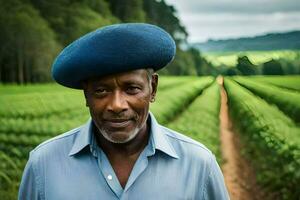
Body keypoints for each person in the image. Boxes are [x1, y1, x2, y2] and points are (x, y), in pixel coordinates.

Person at [18, 23, 229, 200]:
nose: (117, 105)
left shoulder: (199, 165)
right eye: (101, 90)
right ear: (86, 95)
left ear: (152, 88)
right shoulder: (43, 164)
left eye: (131, 89)